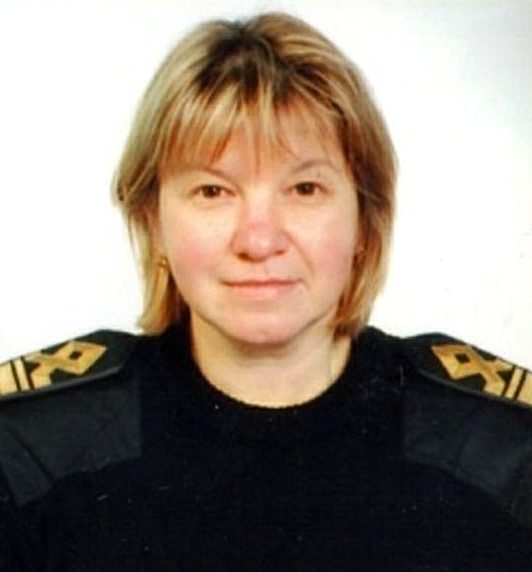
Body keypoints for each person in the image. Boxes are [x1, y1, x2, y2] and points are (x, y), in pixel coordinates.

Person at [0, 11, 531, 571]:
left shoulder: (502, 454)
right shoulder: (29, 454)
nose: (259, 240)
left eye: (304, 189)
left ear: (365, 220)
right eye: (213, 191)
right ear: (153, 221)